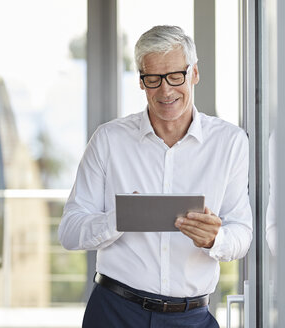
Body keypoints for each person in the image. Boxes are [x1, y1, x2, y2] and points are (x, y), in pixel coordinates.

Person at [58, 25, 253, 328]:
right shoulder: (109, 140)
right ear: (141, 82)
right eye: (153, 79)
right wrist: (119, 219)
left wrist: (217, 238)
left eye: (176, 76)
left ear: (194, 74)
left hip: (192, 318)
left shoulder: (230, 142)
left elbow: (242, 233)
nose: (165, 90)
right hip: (114, 312)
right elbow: (69, 231)